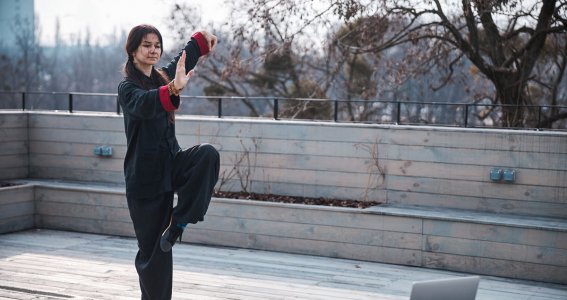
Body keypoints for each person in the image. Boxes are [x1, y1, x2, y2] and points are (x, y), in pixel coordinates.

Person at [117, 24, 220, 299]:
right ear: (133, 50)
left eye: (157, 45)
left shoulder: (161, 77)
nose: (153, 50)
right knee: (154, 255)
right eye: (146, 45)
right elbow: (144, 103)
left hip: (170, 165)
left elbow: (182, 62)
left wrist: (200, 41)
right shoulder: (127, 88)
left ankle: (178, 223)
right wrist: (173, 88)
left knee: (207, 155)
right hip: (145, 181)